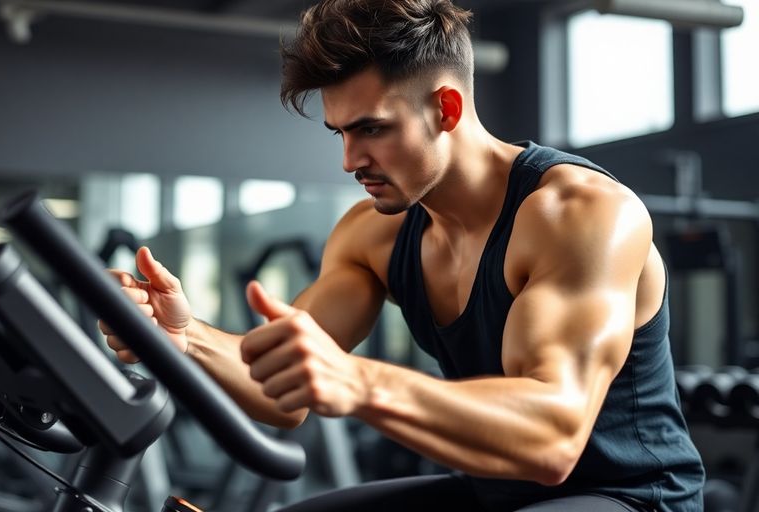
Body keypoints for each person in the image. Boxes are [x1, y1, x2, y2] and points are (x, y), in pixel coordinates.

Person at [99, 0, 704, 510]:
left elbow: (554, 440)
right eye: (341, 133)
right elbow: (282, 395)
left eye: (373, 129)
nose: (349, 160)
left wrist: (359, 382)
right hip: (495, 489)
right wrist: (186, 339)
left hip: (630, 495)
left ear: (445, 109)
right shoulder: (375, 235)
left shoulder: (579, 214)